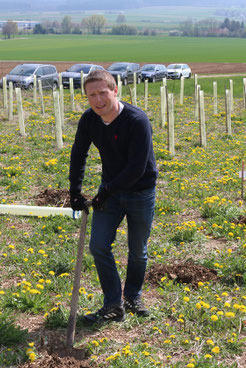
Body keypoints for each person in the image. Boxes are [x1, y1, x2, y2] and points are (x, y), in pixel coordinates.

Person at [69, 69, 158, 324]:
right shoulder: (89, 120)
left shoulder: (136, 120)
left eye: (103, 93)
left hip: (140, 191)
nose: (98, 100)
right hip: (110, 190)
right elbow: (79, 153)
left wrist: (105, 192)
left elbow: (137, 168)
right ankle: (113, 304)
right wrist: (75, 190)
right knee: (98, 246)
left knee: (137, 250)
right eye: (91, 95)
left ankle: (132, 297)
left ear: (115, 90)